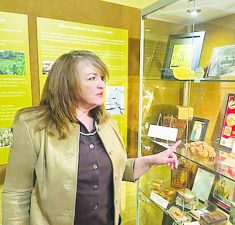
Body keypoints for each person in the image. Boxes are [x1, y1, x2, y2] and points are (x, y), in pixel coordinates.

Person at [2, 50, 180, 225]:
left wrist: (152, 160)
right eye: (92, 78)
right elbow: (16, 194)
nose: (102, 84)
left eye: (102, 78)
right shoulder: (33, 126)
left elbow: (116, 170)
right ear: (67, 83)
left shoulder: (106, 123)